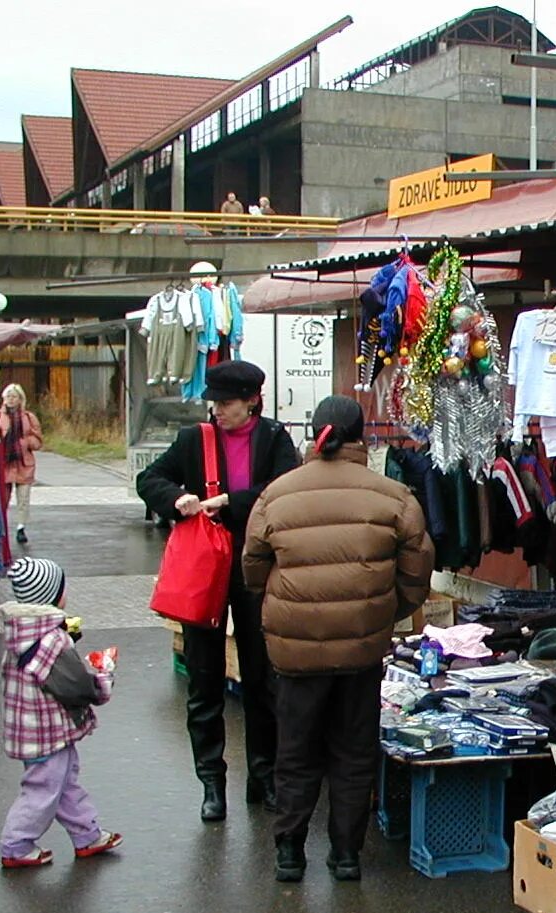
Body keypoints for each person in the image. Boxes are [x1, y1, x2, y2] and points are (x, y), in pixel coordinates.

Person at [243, 395, 432, 883]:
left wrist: (284, 607)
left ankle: (289, 852)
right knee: (353, 752)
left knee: (296, 750)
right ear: (361, 436)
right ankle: (346, 855)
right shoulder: (393, 496)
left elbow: (254, 569)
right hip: (362, 647)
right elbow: (416, 575)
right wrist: (386, 613)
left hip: (293, 647)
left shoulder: (277, 495)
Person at [137, 361, 298, 822]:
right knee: (204, 679)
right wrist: (175, 499)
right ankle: (211, 781)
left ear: (252, 401)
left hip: (255, 568)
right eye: (215, 403)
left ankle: (263, 775)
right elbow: (149, 479)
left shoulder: (275, 438)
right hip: (205, 569)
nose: (217, 410)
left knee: (262, 677)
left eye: (226, 403)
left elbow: (283, 490)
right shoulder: (195, 439)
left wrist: (232, 501)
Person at [0, 558, 123, 869]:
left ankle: (87, 835)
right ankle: (16, 844)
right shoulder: (50, 641)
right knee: (42, 789)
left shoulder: (23, 633)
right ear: (53, 594)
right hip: (46, 732)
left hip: (34, 728)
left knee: (64, 783)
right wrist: (103, 675)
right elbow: (76, 686)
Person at [0, 383, 42, 544]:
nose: (11, 400)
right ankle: (1, 527)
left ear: (20, 399)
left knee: (23, 498)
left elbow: (38, 440)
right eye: (8, 396)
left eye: (14, 396)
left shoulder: (29, 417)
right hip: (5, 463)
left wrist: (26, 443)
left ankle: (21, 527)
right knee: (2, 498)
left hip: (23, 463)